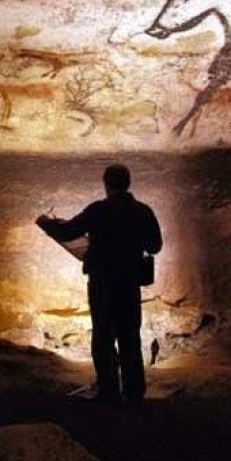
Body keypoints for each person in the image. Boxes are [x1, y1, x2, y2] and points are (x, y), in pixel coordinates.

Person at [36, 163, 162, 404]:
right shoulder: (142, 211)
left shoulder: (98, 211)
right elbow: (155, 246)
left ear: (106, 184)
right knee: (130, 337)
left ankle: (109, 391)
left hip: (102, 283)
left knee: (103, 337)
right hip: (129, 283)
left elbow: (69, 231)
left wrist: (47, 223)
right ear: (128, 183)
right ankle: (134, 393)